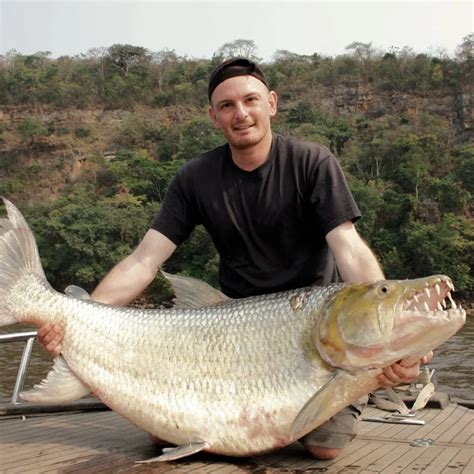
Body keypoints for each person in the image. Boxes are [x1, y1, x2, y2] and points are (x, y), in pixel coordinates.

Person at [38, 57, 432, 460]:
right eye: (227, 105)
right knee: (165, 433)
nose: (240, 113)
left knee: (322, 448)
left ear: (271, 103)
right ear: (214, 116)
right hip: (228, 334)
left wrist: (387, 332)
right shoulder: (194, 177)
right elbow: (144, 260)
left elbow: (347, 246)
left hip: (312, 332)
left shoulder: (313, 163)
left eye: (250, 100)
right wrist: (80, 318)